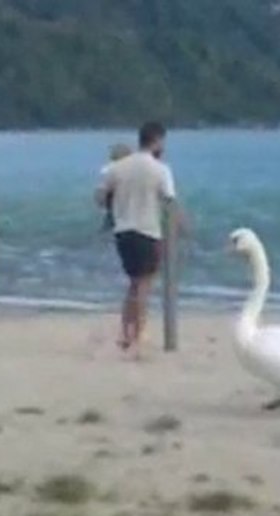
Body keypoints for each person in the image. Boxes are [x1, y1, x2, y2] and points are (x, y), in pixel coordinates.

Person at [95, 121, 179, 352]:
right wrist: (182, 227)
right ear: (157, 141)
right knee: (144, 285)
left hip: (123, 231)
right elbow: (170, 202)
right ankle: (138, 334)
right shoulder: (160, 169)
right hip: (148, 230)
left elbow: (100, 198)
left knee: (134, 283)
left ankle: (125, 332)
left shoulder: (118, 168)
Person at [100, 143, 132, 233]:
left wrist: (102, 205)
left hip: (114, 208)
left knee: (107, 232)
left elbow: (101, 195)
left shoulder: (108, 169)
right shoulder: (133, 168)